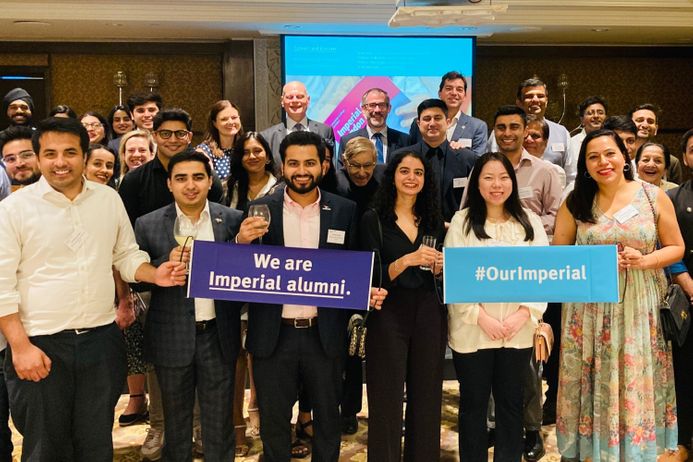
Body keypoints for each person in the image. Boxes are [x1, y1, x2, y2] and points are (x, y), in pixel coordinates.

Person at [0, 116, 186, 461]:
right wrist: (20, 346)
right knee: (45, 447)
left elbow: (125, 254)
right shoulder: (13, 210)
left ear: (85, 156)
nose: (60, 162)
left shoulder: (107, 199)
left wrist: (154, 273)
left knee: (96, 443)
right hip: (40, 343)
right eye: (50, 153)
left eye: (70, 152)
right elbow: (1, 285)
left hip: (100, 341)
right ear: (38, 158)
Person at [553, 128, 684, 461]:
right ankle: (592, 450)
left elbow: (675, 247)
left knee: (635, 376)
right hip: (589, 309)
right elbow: (559, 256)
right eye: (593, 157)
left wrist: (644, 260)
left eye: (609, 153)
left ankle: (636, 449)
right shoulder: (576, 201)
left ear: (625, 156)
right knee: (591, 376)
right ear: (584, 164)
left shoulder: (652, 195)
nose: (603, 162)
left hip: (640, 306)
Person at [240, 130, 358, 462]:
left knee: (327, 420)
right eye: (293, 163)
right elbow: (244, 271)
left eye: (309, 163)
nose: (301, 170)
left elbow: (355, 269)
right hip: (273, 334)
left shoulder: (345, 210)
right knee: (275, 422)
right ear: (282, 166)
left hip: (325, 333)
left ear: (323, 165)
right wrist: (241, 243)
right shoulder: (260, 208)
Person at [134, 149, 244, 461]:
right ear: (169, 184)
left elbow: (248, 275)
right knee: (176, 424)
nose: (190, 185)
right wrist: (159, 266)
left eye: (198, 177)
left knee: (219, 422)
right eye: (181, 178)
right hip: (171, 337)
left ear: (210, 181)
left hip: (217, 335)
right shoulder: (148, 224)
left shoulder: (233, 221)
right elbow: (134, 278)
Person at [445, 152, 548, 462]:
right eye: (488, 177)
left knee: (510, 403)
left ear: (512, 183)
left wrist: (524, 313)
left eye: (503, 178)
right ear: (477, 183)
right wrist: (481, 317)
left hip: (517, 332)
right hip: (472, 331)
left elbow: (543, 273)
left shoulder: (529, 222)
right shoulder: (462, 222)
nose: (496, 184)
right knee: (473, 404)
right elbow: (455, 277)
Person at [360, 150, 446, 462]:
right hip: (388, 313)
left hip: (428, 312)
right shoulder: (374, 220)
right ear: (393, 176)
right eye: (405, 171)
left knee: (427, 396)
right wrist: (406, 261)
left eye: (418, 173)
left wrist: (440, 267)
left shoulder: (434, 221)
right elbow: (368, 275)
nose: (411, 178)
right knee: (386, 397)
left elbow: (442, 275)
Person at [392, 98, 476, 223]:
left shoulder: (468, 159)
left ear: (448, 122)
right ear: (418, 123)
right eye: (426, 119)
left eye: (437, 118)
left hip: (455, 232)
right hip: (412, 231)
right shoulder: (400, 158)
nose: (432, 123)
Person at [668, 128, 693, 460]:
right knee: (685, 372)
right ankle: (685, 438)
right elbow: (670, 249)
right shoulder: (674, 198)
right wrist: (688, 283)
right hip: (687, 298)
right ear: (686, 157)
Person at [408, 71, 488, 156]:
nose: (454, 93)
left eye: (459, 90)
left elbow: (479, 161)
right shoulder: (420, 123)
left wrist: (462, 153)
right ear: (439, 93)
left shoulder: (477, 126)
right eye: (449, 88)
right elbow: (411, 153)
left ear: (465, 96)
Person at [260, 80, 335, 166]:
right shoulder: (267, 137)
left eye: (300, 96)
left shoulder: (325, 131)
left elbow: (331, 168)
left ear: (308, 100)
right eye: (290, 97)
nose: (295, 100)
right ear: (282, 101)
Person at [338, 88, 409, 164]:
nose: (377, 110)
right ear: (363, 109)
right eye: (372, 105)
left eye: (382, 105)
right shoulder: (347, 141)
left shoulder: (405, 141)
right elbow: (342, 173)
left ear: (389, 108)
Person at [630, 103, 684, 184]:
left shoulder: (672, 161)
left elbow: (675, 195)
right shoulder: (619, 157)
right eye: (640, 120)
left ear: (656, 129)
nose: (645, 125)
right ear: (629, 125)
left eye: (650, 121)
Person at [196, 100, 244, 182]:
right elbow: (208, 183)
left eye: (234, 118)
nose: (230, 122)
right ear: (215, 124)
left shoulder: (247, 147)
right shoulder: (204, 151)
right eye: (224, 119)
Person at [566, 96, 607, 188]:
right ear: (582, 120)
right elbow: (570, 175)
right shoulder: (571, 143)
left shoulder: (613, 141)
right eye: (590, 113)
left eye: (600, 113)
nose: (596, 116)